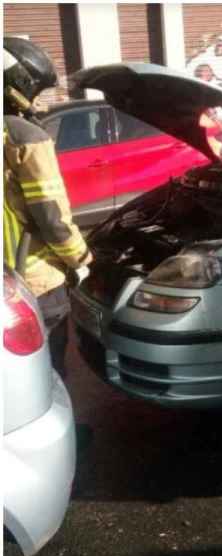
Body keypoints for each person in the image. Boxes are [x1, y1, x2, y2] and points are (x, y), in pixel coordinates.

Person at [3, 36, 92, 377]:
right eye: (36, 90)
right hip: (32, 280)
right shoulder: (24, 137)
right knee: (48, 371)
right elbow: (52, 217)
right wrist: (81, 260)